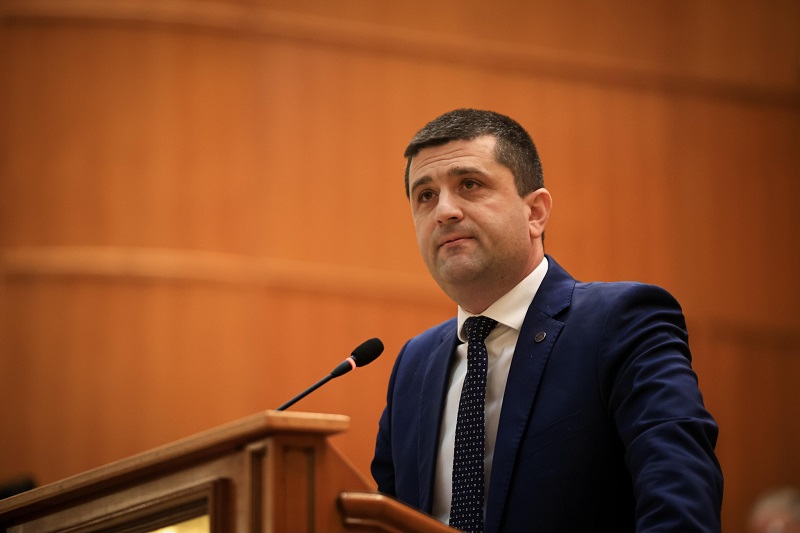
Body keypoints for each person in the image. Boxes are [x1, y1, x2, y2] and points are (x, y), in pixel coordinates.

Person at [371, 109, 723, 532]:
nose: (444, 211)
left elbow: (680, 498)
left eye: (469, 184)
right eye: (425, 195)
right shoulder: (414, 364)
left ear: (535, 212)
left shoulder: (621, 322)